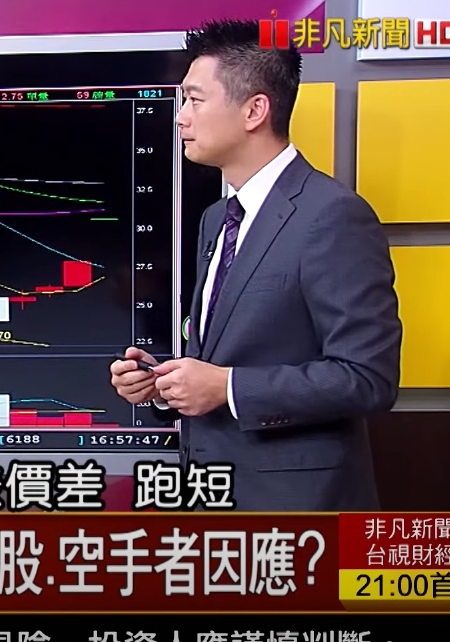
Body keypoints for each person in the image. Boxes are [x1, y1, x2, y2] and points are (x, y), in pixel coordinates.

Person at [110, 20, 401, 511]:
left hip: (298, 512)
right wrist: (164, 385)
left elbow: (367, 378)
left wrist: (226, 387)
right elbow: (225, 356)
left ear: (254, 110)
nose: (180, 117)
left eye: (194, 100)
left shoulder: (332, 216)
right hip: (215, 500)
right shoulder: (216, 219)